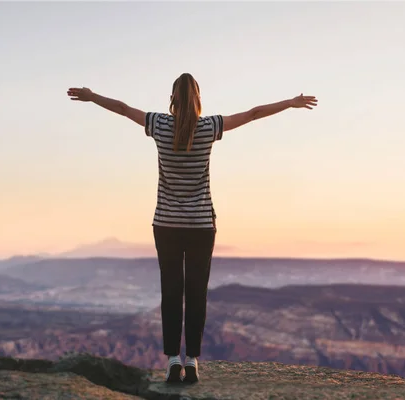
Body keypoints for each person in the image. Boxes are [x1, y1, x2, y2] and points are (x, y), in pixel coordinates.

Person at [67, 73, 318, 383]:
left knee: (171, 291)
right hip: (201, 225)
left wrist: (92, 96)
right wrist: (289, 103)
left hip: (166, 224)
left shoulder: (158, 124)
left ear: (172, 99)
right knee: (196, 292)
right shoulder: (210, 127)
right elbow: (253, 113)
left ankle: (173, 358)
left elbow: (121, 107)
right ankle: (193, 360)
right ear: (198, 98)